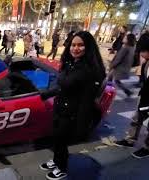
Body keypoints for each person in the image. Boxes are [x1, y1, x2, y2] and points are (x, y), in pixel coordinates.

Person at [39, 31, 106, 180]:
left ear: (88, 47)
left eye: (80, 45)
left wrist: (81, 127)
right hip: (60, 107)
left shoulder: (91, 71)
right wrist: (47, 94)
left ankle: (61, 167)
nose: (76, 48)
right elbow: (63, 86)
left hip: (72, 113)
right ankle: (56, 161)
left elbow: (86, 101)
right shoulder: (70, 63)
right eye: (73, 45)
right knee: (56, 138)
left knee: (62, 141)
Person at [114, 33, 149, 159]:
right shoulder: (146, 63)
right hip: (144, 96)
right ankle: (130, 140)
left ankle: (147, 147)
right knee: (136, 118)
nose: (141, 54)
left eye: (143, 51)